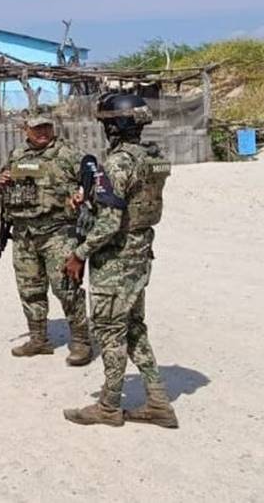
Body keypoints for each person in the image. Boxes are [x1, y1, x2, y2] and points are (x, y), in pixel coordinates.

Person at [63, 94, 178, 429]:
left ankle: (109, 406)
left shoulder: (117, 163)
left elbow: (111, 222)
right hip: (141, 252)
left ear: (115, 125)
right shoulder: (156, 158)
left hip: (116, 258)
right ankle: (158, 402)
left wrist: (78, 254)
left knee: (110, 331)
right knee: (134, 328)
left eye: (106, 123)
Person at [0, 114, 92, 364]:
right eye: (37, 128)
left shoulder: (67, 153)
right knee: (30, 289)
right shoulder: (17, 154)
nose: (43, 132)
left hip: (57, 233)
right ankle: (39, 339)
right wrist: (0, 181)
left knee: (66, 288)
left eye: (47, 126)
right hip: (24, 234)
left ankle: (81, 341)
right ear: (25, 130)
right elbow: (2, 180)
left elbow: (93, 177)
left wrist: (82, 194)